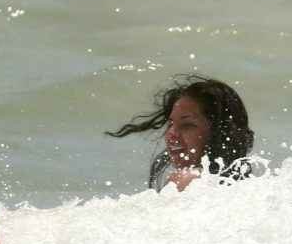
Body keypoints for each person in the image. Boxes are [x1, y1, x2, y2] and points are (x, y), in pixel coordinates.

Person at [107, 75, 255, 191]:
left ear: (218, 132)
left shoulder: (186, 179)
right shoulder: (241, 187)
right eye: (171, 124)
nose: (172, 134)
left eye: (187, 125)